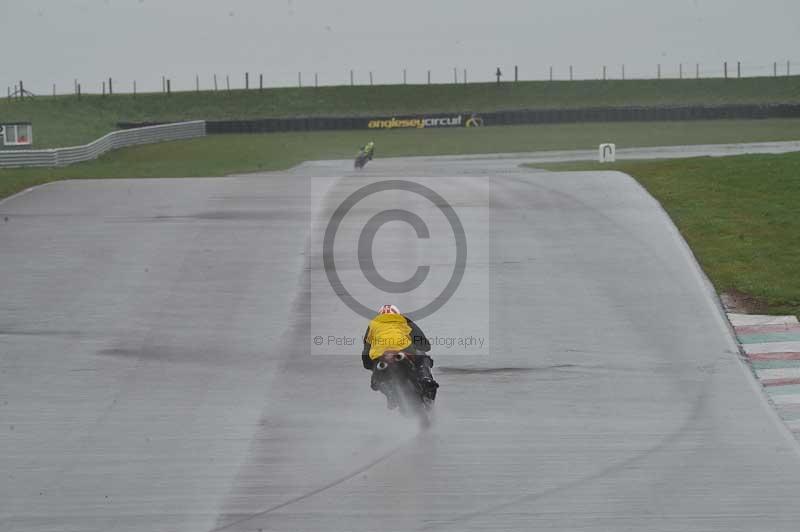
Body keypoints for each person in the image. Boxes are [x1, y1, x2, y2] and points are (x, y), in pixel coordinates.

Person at [362, 304, 437, 408]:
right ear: (396, 313)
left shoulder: (373, 324)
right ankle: (425, 379)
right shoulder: (402, 319)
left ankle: (389, 393)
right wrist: (420, 346)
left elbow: (365, 356)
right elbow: (425, 345)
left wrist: (372, 365)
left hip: (381, 354)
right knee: (423, 357)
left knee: (376, 379)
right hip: (404, 349)